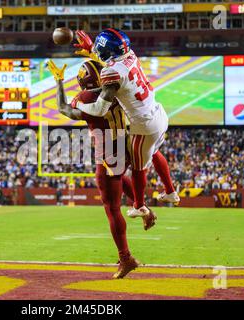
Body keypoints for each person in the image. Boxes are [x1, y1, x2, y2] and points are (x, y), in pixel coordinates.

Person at [48, 59, 149, 279]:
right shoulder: (117, 88)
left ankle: (126, 257)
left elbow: (63, 108)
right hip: (125, 144)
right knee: (120, 178)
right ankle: (143, 208)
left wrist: (58, 82)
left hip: (107, 154)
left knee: (111, 207)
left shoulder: (87, 97)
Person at [72, 29, 179, 220]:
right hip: (159, 114)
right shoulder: (130, 55)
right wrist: (91, 50)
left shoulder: (110, 72)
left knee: (138, 168)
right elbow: (114, 63)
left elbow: (99, 109)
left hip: (144, 125)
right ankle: (170, 191)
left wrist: (77, 104)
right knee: (153, 152)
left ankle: (139, 205)